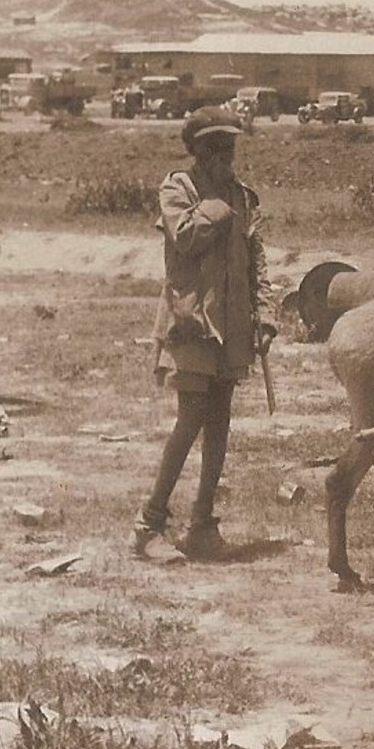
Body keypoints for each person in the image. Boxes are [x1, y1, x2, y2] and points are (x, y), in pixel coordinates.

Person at [130, 107, 278, 559]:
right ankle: (148, 526)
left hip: (231, 328)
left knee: (219, 424)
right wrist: (217, 201)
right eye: (216, 148)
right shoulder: (179, 189)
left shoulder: (243, 196)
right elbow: (188, 237)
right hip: (190, 324)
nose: (226, 156)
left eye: (230, 147)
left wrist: (267, 315)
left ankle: (203, 525)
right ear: (197, 150)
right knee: (190, 418)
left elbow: (257, 261)